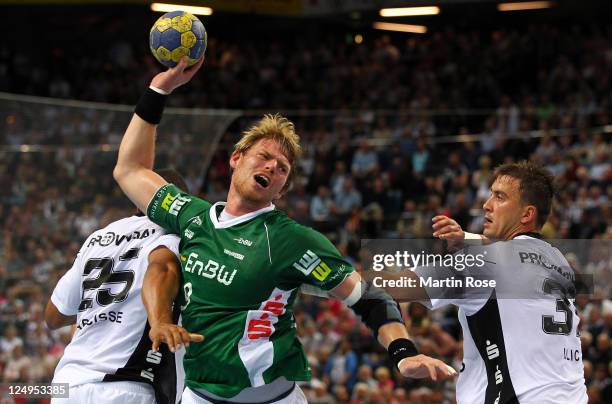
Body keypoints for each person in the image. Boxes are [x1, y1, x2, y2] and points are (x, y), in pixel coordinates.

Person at [112, 57, 456, 403]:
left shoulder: (291, 240)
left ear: (282, 189)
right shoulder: (190, 215)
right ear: (236, 157)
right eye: (263, 157)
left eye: (282, 169)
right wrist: (159, 89)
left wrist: (404, 352)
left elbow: (370, 298)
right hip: (199, 397)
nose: (272, 168)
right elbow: (129, 169)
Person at [389, 162, 588, 403]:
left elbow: (389, 288)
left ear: (527, 214)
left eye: (499, 197)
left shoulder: (486, 261)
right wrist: (468, 238)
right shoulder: (557, 260)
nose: (486, 204)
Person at [45, 169, 200, 404]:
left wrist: (98, 312)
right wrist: (159, 321)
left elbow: (54, 316)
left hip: (68, 385)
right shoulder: (175, 233)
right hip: (126, 387)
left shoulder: (98, 237)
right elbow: (161, 268)